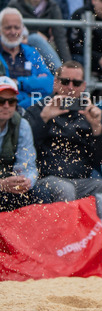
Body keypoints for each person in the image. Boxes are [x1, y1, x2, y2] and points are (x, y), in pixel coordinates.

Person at [23, 61, 102, 179]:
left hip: (83, 178)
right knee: (66, 190)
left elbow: (99, 159)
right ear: (56, 83)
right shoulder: (39, 109)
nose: (70, 87)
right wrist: (43, 119)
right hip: (48, 178)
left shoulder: (89, 111)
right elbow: (24, 149)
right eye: (65, 82)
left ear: (83, 86)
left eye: (76, 83)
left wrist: (97, 129)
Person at [0, 76, 42, 213]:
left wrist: (24, 181)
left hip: (8, 184)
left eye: (11, 101)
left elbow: (28, 165)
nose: (6, 106)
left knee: (24, 195)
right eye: (1, 101)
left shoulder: (21, 125)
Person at [0, 7, 53, 109]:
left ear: (22, 29)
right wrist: (31, 89)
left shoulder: (32, 52)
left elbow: (49, 84)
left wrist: (19, 83)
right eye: (8, 28)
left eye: (17, 28)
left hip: (31, 110)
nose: (13, 32)